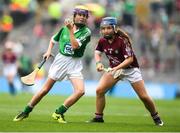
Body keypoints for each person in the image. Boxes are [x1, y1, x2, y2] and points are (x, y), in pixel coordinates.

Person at [13, 5, 91, 123]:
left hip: (75, 63)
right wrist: (48, 51)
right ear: (74, 16)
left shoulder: (86, 32)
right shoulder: (64, 29)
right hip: (61, 61)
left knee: (80, 91)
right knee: (44, 90)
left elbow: (75, 46)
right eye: (80, 15)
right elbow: (53, 40)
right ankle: (26, 111)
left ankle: (59, 112)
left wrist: (70, 30)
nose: (82, 18)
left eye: (85, 16)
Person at [88, 17, 163, 126]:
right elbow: (97, 52)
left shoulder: (123, 41)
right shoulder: (102, 41)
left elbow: (129, 60)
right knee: (99, 90)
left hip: (130, 70)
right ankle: (98, 117)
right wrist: (98, 63)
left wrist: (116, 68)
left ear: (114, 28)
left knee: (144, 97)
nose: (106, 31)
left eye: (109, 28)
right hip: (115, 69)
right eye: (103, 29)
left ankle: (156, 117)